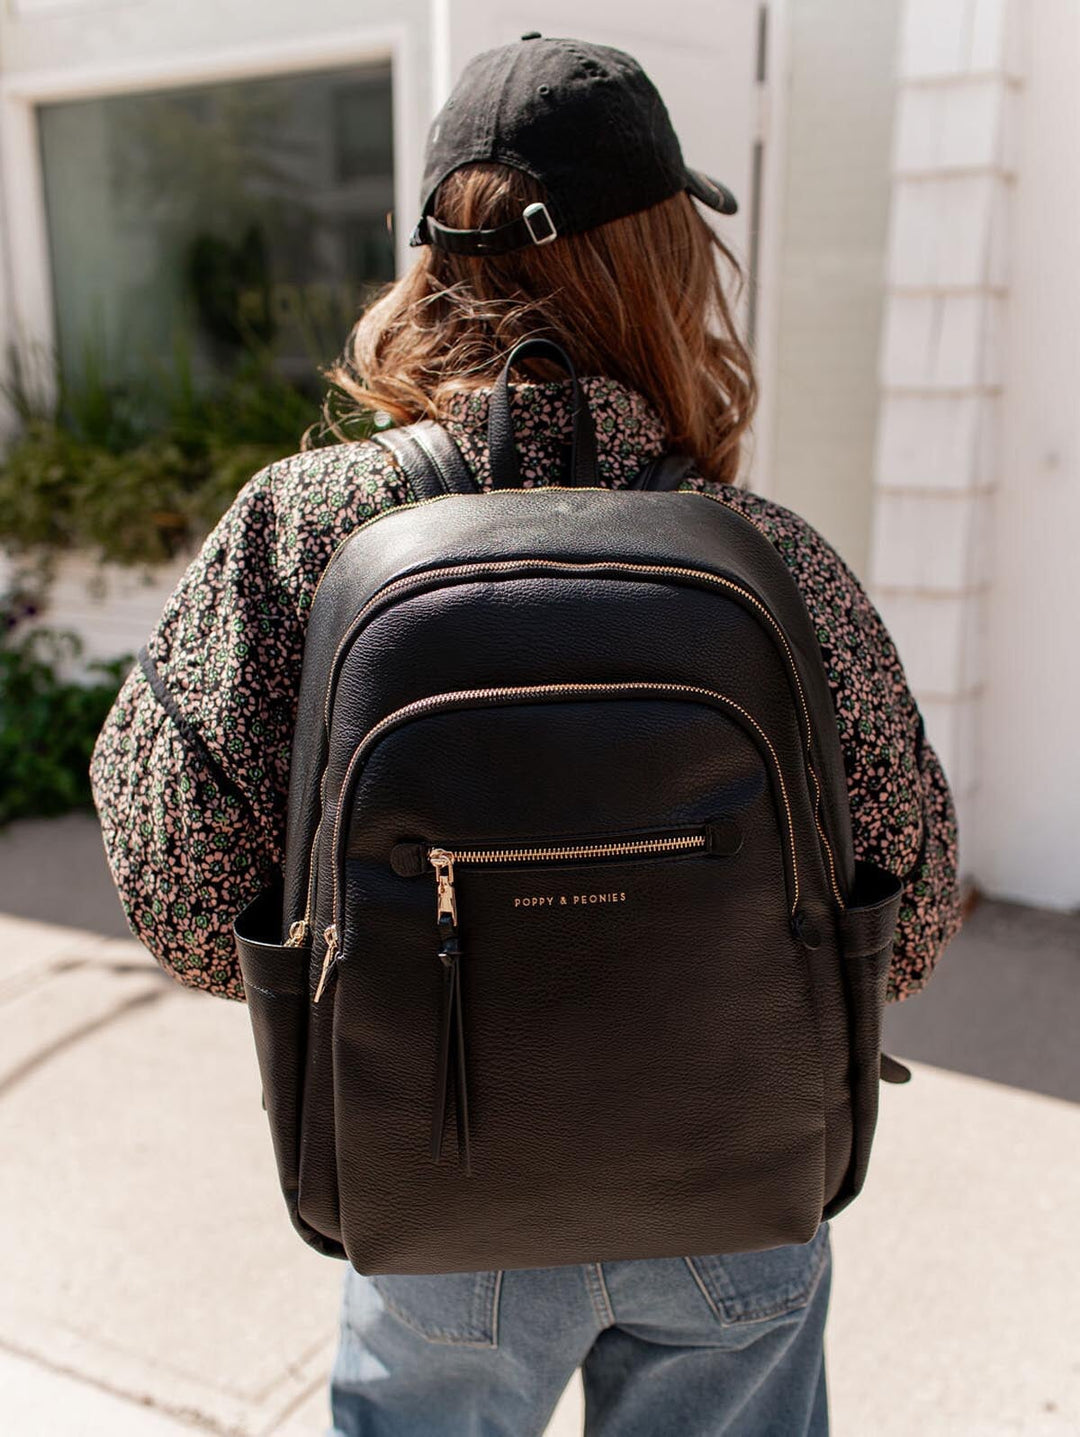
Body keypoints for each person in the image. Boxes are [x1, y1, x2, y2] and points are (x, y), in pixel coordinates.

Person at [90, 34, 962, 1437]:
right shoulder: (765, 558)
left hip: (437, 1187)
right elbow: (908, 913)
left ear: (432, 260)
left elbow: (185, 901)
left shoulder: (301, 533)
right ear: (669, 266)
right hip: (732, 1180)